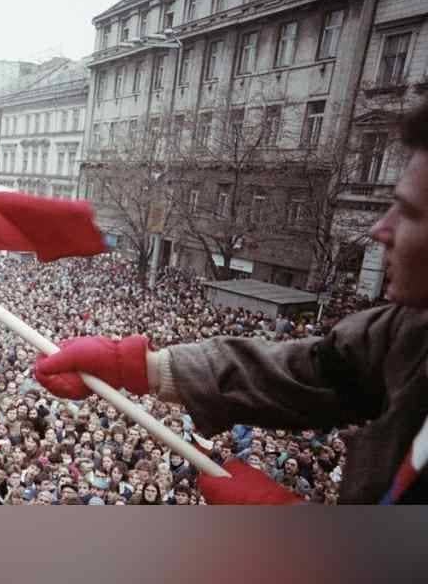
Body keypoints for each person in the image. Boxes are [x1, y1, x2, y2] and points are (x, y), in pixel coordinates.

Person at [33, 101, 428, 505]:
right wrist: (142, 367)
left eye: (411, 212)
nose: (381, 228)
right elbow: (317, 371)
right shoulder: (411, 330)